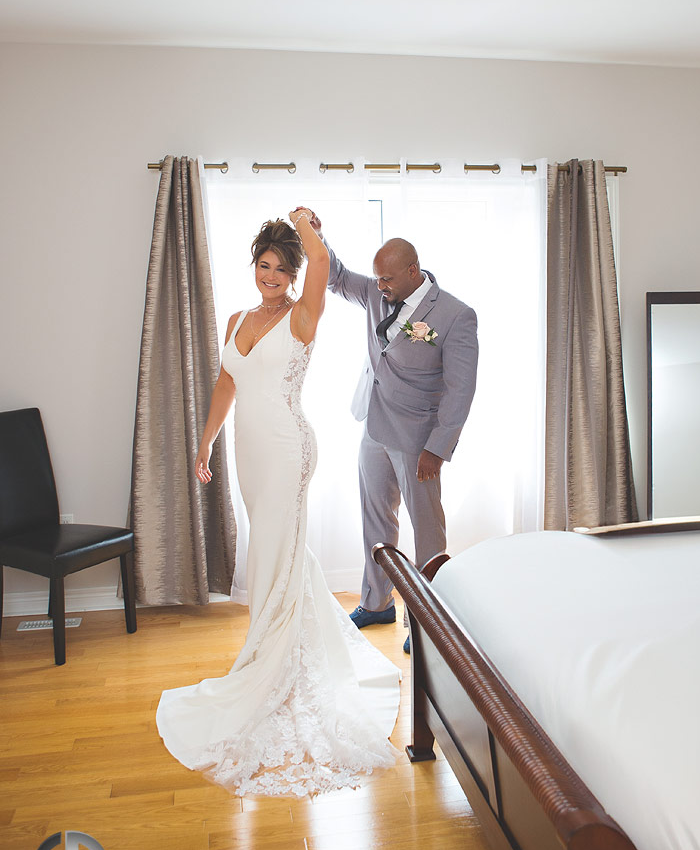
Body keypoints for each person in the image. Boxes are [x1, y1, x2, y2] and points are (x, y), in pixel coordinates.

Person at [156, 211, 401, 797]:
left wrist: (304, 226)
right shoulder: (238, 319)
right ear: (255, 267)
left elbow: (322, 262)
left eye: (280, 267)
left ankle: (272, 665)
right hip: (248, 451)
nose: (271, 275)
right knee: (274, 551)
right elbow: (225, 382)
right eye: (264, 266)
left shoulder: (302, 315)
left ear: (292, 273)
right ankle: (268, 646)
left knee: (276, 548)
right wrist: (207, 438)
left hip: (289, 448)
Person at [298, 209, 478, 652]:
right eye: (377, 279)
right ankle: (377, 602)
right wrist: (316, 235)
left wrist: (437, 449)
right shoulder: (378, 293)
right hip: (375, 426)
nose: (379, 286)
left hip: (419, 439)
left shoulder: (455, 316)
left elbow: (460, 390)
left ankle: (432, 621)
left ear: (413, 271)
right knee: (376, 518)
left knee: (426, 529)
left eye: (387, 279)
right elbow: (337, 277)